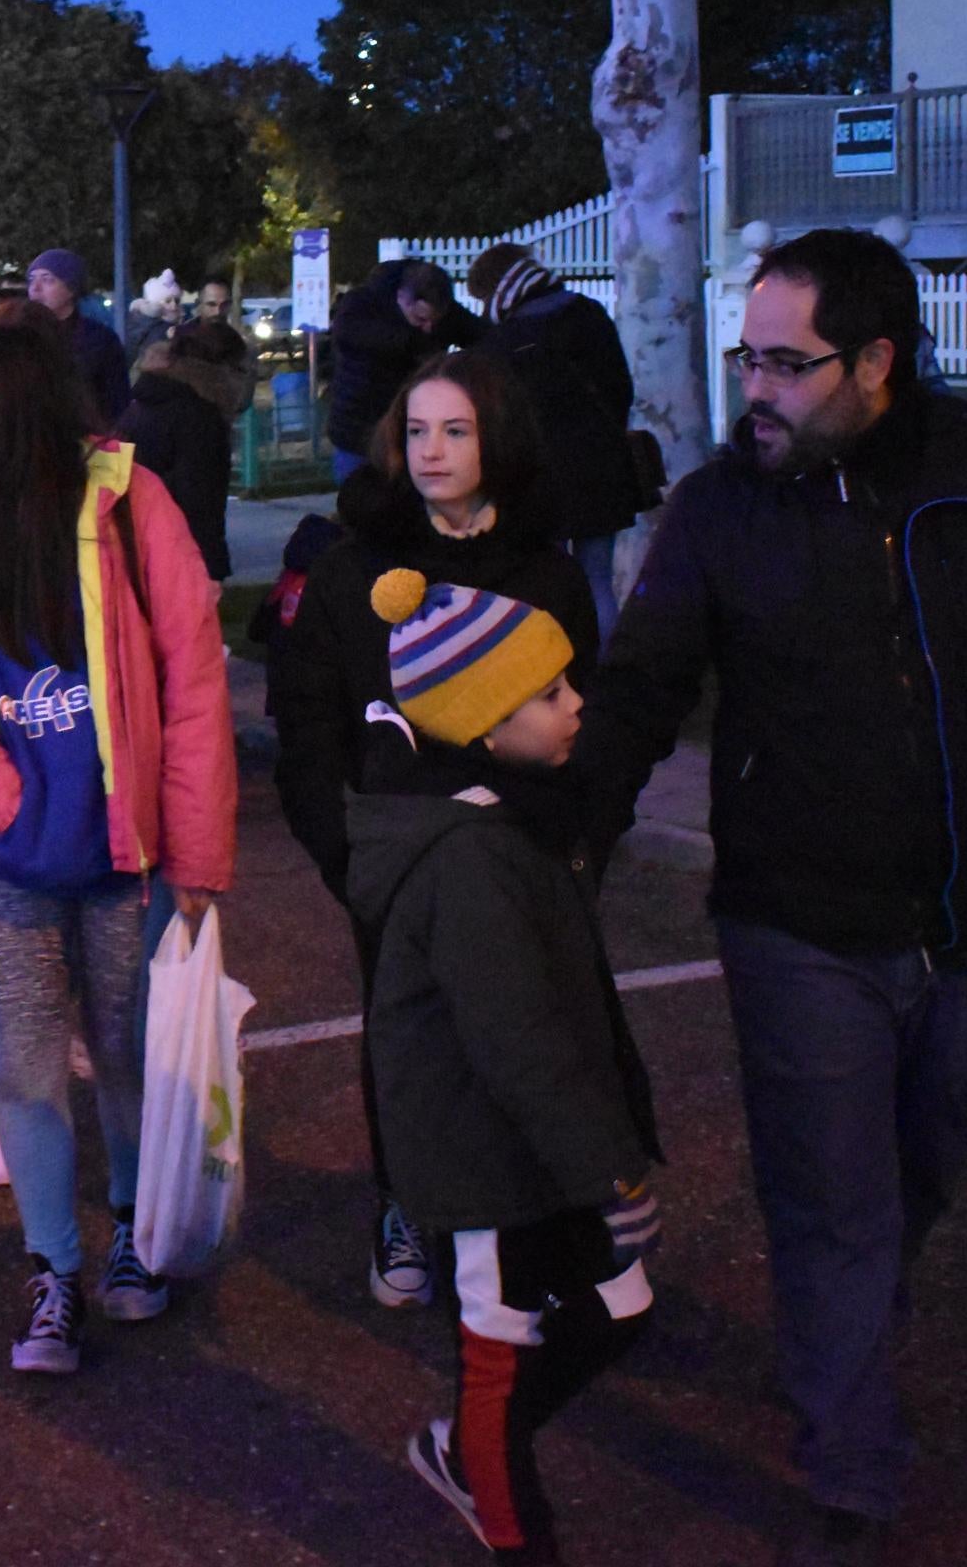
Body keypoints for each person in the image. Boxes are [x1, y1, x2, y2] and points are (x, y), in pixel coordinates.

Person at [571, 229, 967, 1567]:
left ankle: (833, 1338)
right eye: (747, 355)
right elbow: (639, 690)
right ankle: (851, 1478)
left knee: (928, 1161)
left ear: (876, 364)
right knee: (836, 1202)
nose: (756, 388)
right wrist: (577, 846)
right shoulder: (720, 511)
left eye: (786, 365)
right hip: (795, 923)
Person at [0, 319, 237, 1377]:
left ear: (1, 405)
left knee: (135, 1060)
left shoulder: (131, 505)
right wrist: (3, 797)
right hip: (15, 868)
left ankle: (136, 1236)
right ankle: (55, 1269)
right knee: (30, 1074)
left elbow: (193, 683)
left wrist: (198, 858)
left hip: (129, 863)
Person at [267, 349, 596, 1310]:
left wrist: (571, 839)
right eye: (416, 431)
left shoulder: (545, 570)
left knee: (528, 1038)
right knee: (410, 1041)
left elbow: (591, 719)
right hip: (396, 856)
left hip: (518, 852)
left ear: (497, 440)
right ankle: (407, 1204)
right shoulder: (352, 568)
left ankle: (532, 1215)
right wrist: (344, 850)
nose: (432, 451)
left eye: (455, 430)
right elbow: (309, 722)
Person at [349, 570, 660, 1563]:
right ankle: (501, 1507)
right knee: (499, 1351)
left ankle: (470, 1453)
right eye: (551, 692)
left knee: (622, 1300)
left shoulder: (515, 817)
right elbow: (517, 1039)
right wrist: (610, 1169)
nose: (577, 704)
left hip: (540, 1148)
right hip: (482, 1156)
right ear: (484, 722)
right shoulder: (472, 856)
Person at [472, 243, 643, 640]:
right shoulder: (587, 312)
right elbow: (621, 387)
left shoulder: (507, 340)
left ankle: (560, 672)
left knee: (546, 579)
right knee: (597, 579)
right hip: (602, 467)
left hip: (540, 477)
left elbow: (501, 418)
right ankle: (603, 678)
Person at [328, 260, 484, 482]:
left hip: (410, 428)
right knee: (358, 498)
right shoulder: (360, 306)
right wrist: (417, 344)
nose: (428, 328)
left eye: (434, 322)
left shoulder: (441, 308)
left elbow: (480, 336)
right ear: (402, 297)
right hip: (359, 427)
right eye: (421, 319)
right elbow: (361, 337)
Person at [118, 321, 237, 580]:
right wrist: (212, 569)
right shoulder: (200, 415)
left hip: (138, 544)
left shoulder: (144, 403)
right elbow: (199, 499)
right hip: (180, 553)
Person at [23, 248, 132, 429]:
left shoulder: (100, 340)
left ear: (71, 289)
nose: (35, 288)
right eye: (31, 279)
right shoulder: (18, 335)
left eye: (47, 279)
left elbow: (118, 403)